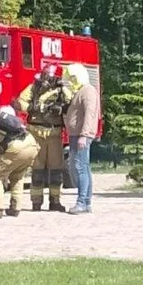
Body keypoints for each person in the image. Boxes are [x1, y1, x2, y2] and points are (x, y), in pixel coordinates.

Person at [14, 65, 73, 212]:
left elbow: (71, 101)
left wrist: (60, 108)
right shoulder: (34, 87)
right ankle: (36, 201)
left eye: (50, 77)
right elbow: (19, 102)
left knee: (56, 169)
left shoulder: (61, 89)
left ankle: (55, 201)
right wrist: (32, 107)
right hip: (36, 132)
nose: (48, 80)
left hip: (54, 132)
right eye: (46, 76)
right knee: (37, 168)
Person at [0, 105, 39, 218]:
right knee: (17, 176)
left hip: (16, 148)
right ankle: (15, 208)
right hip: (31, 144)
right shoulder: (16, 125)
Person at [63, 63, 99, 215]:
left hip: (81, 135)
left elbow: (90, 113)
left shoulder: (88, 91)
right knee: (83, 167)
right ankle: (86, 202)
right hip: (75, 134)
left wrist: (84, 135)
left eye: (72, 78)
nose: (69, 81)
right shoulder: (80, 91)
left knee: (80, 167)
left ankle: (82, 202)